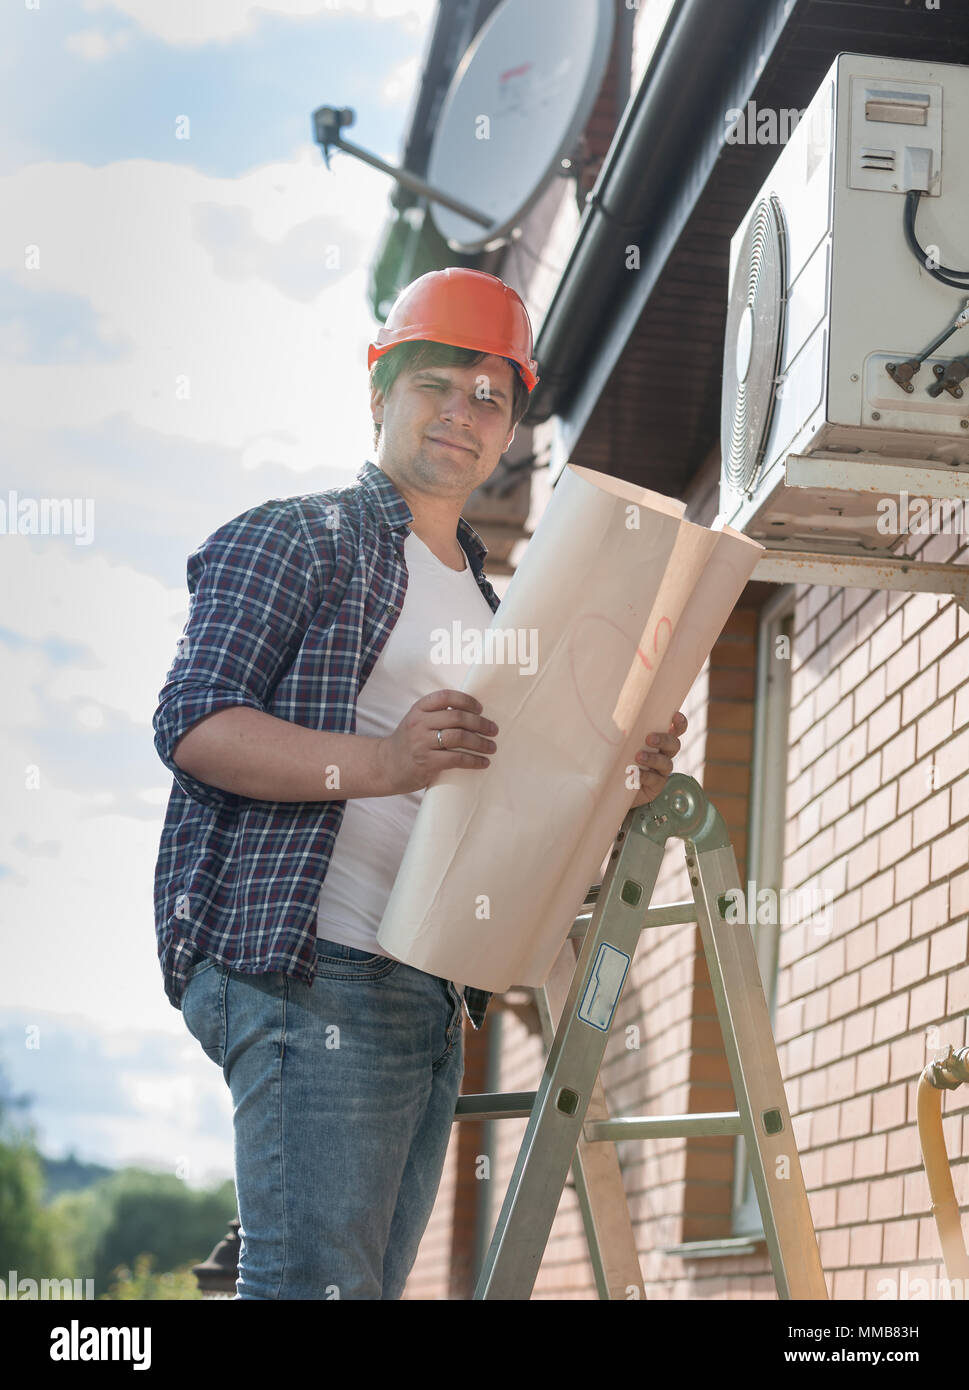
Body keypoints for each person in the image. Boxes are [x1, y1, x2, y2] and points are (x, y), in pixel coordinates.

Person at [152, 266, 687, 1300]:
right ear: (379, 393)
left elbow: (508, 803)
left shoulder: (499, 606)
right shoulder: (298, 537)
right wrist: (384, 763)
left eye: (491, 396)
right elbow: (195, 722)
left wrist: (611, 783)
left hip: (426, 983)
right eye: (439, 382)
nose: (464, 412)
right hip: (309, 962)